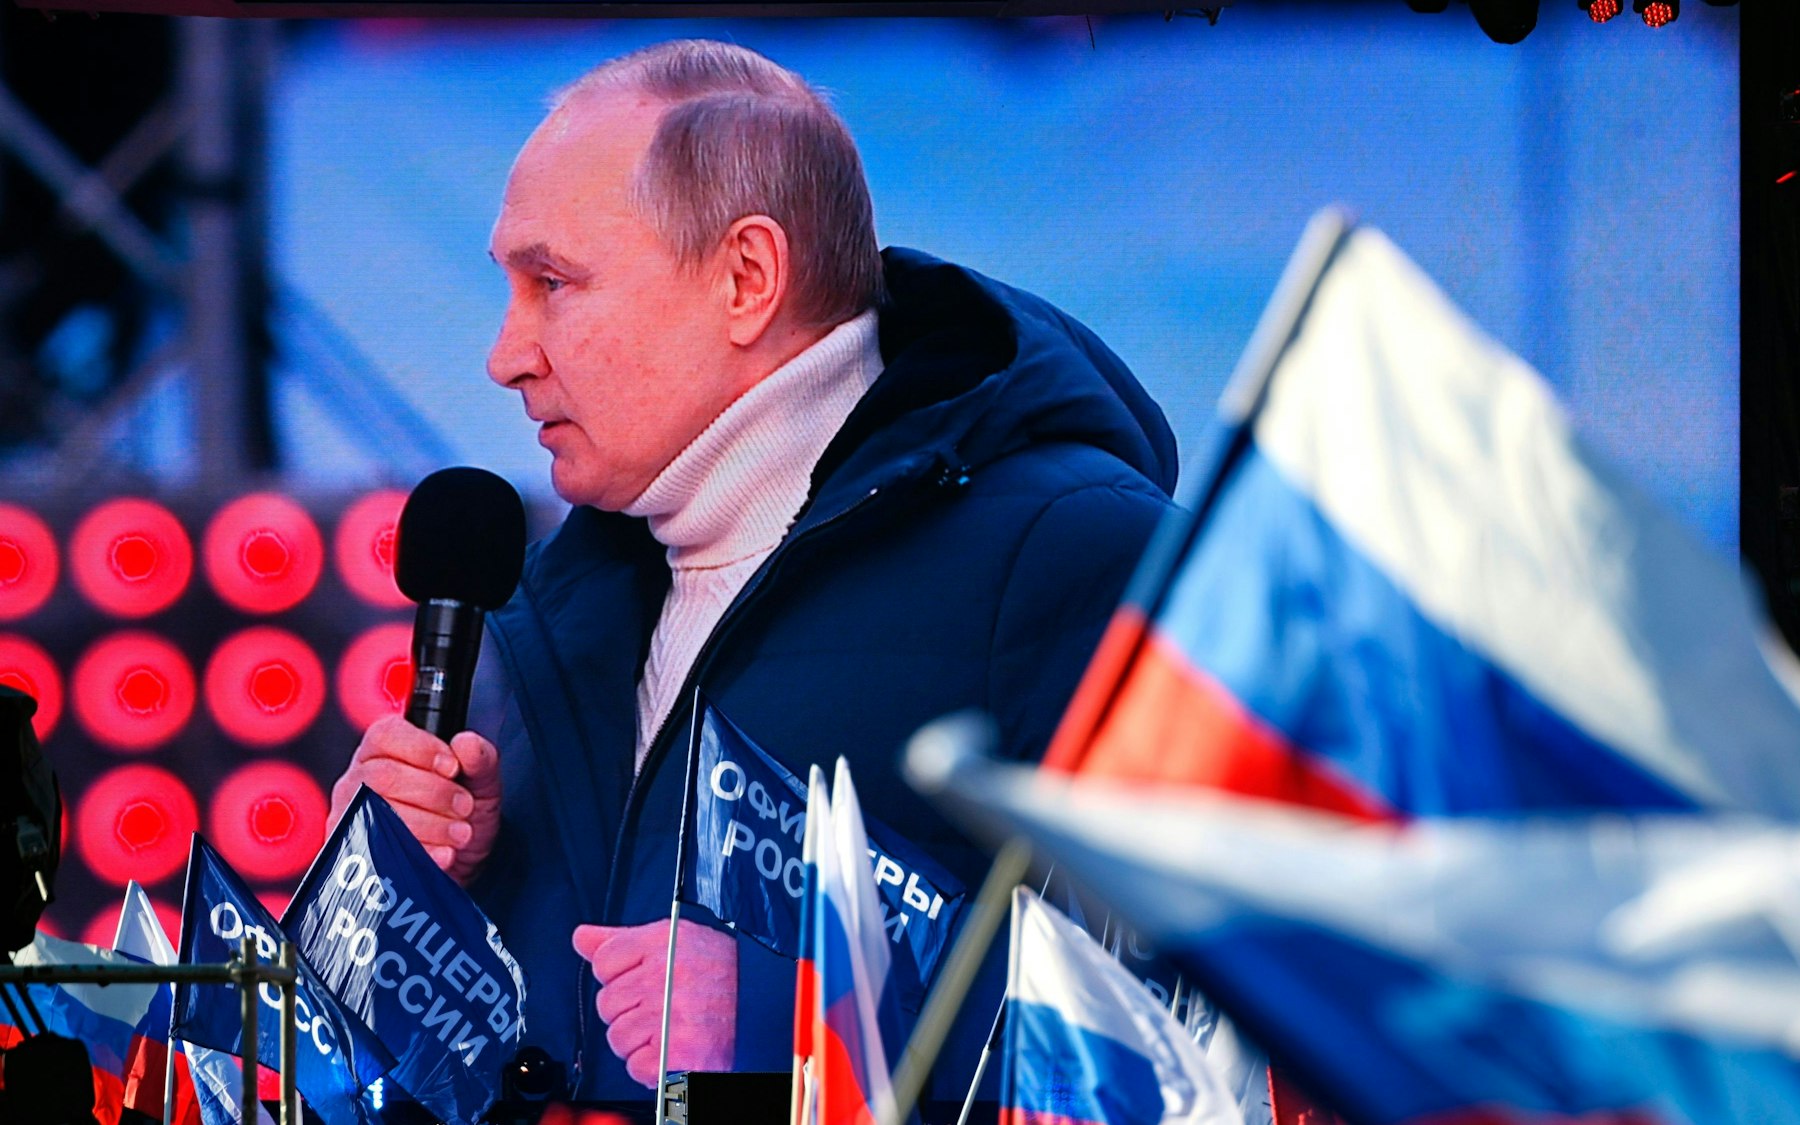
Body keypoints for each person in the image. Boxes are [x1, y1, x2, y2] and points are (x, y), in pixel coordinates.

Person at [326, 39, 1177, 1109]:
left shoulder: (1074, 546)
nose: (504, 354)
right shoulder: (545, 613)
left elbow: (1216, 1017)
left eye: (552, 283)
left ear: (745, 278)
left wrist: (801, 1010)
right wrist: (406, 902)